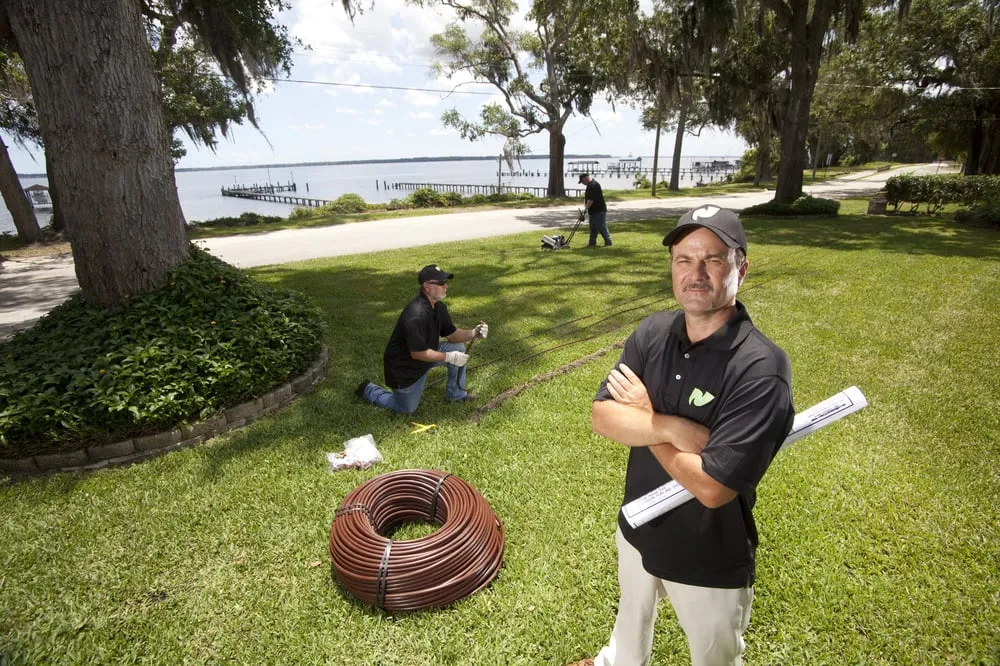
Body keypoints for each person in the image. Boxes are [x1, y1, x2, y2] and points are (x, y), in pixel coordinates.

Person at [576, 205, 795, 666]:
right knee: (628, 630)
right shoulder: (652, 331)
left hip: (706, 553)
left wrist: (644, 417)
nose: (696, 273)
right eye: (683, 259)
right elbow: (602, 417)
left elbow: (712, 487)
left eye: (713, 259)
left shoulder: (760, 368)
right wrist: (672, 426)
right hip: (637, 525)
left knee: (713, 656)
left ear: (742, 268)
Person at [356, 264, 488, 415]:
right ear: (426, 286)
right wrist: (449, 357)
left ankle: (456, 394)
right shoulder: (415, 314)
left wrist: (474, 332)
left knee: (457, 347)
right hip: (405, 367)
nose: (446, 286)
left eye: (445, 282)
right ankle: (369, 390)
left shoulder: (438, 308)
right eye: (440, 283)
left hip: (426, 354)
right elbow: (417, 354)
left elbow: (452, 336)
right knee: (406, 409)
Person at [579, 173, 611, 246]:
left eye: (582, 182)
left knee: (601, 226)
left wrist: (585, 210)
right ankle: (592, 243)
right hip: (592, 211)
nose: (582, 183)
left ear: (585, 179)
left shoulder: (594, 185)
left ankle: (608, 241)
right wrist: (585, 206)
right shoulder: (589, 186)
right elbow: (587, 199)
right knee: (593, 228)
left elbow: (591, 200)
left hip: (598, 210)